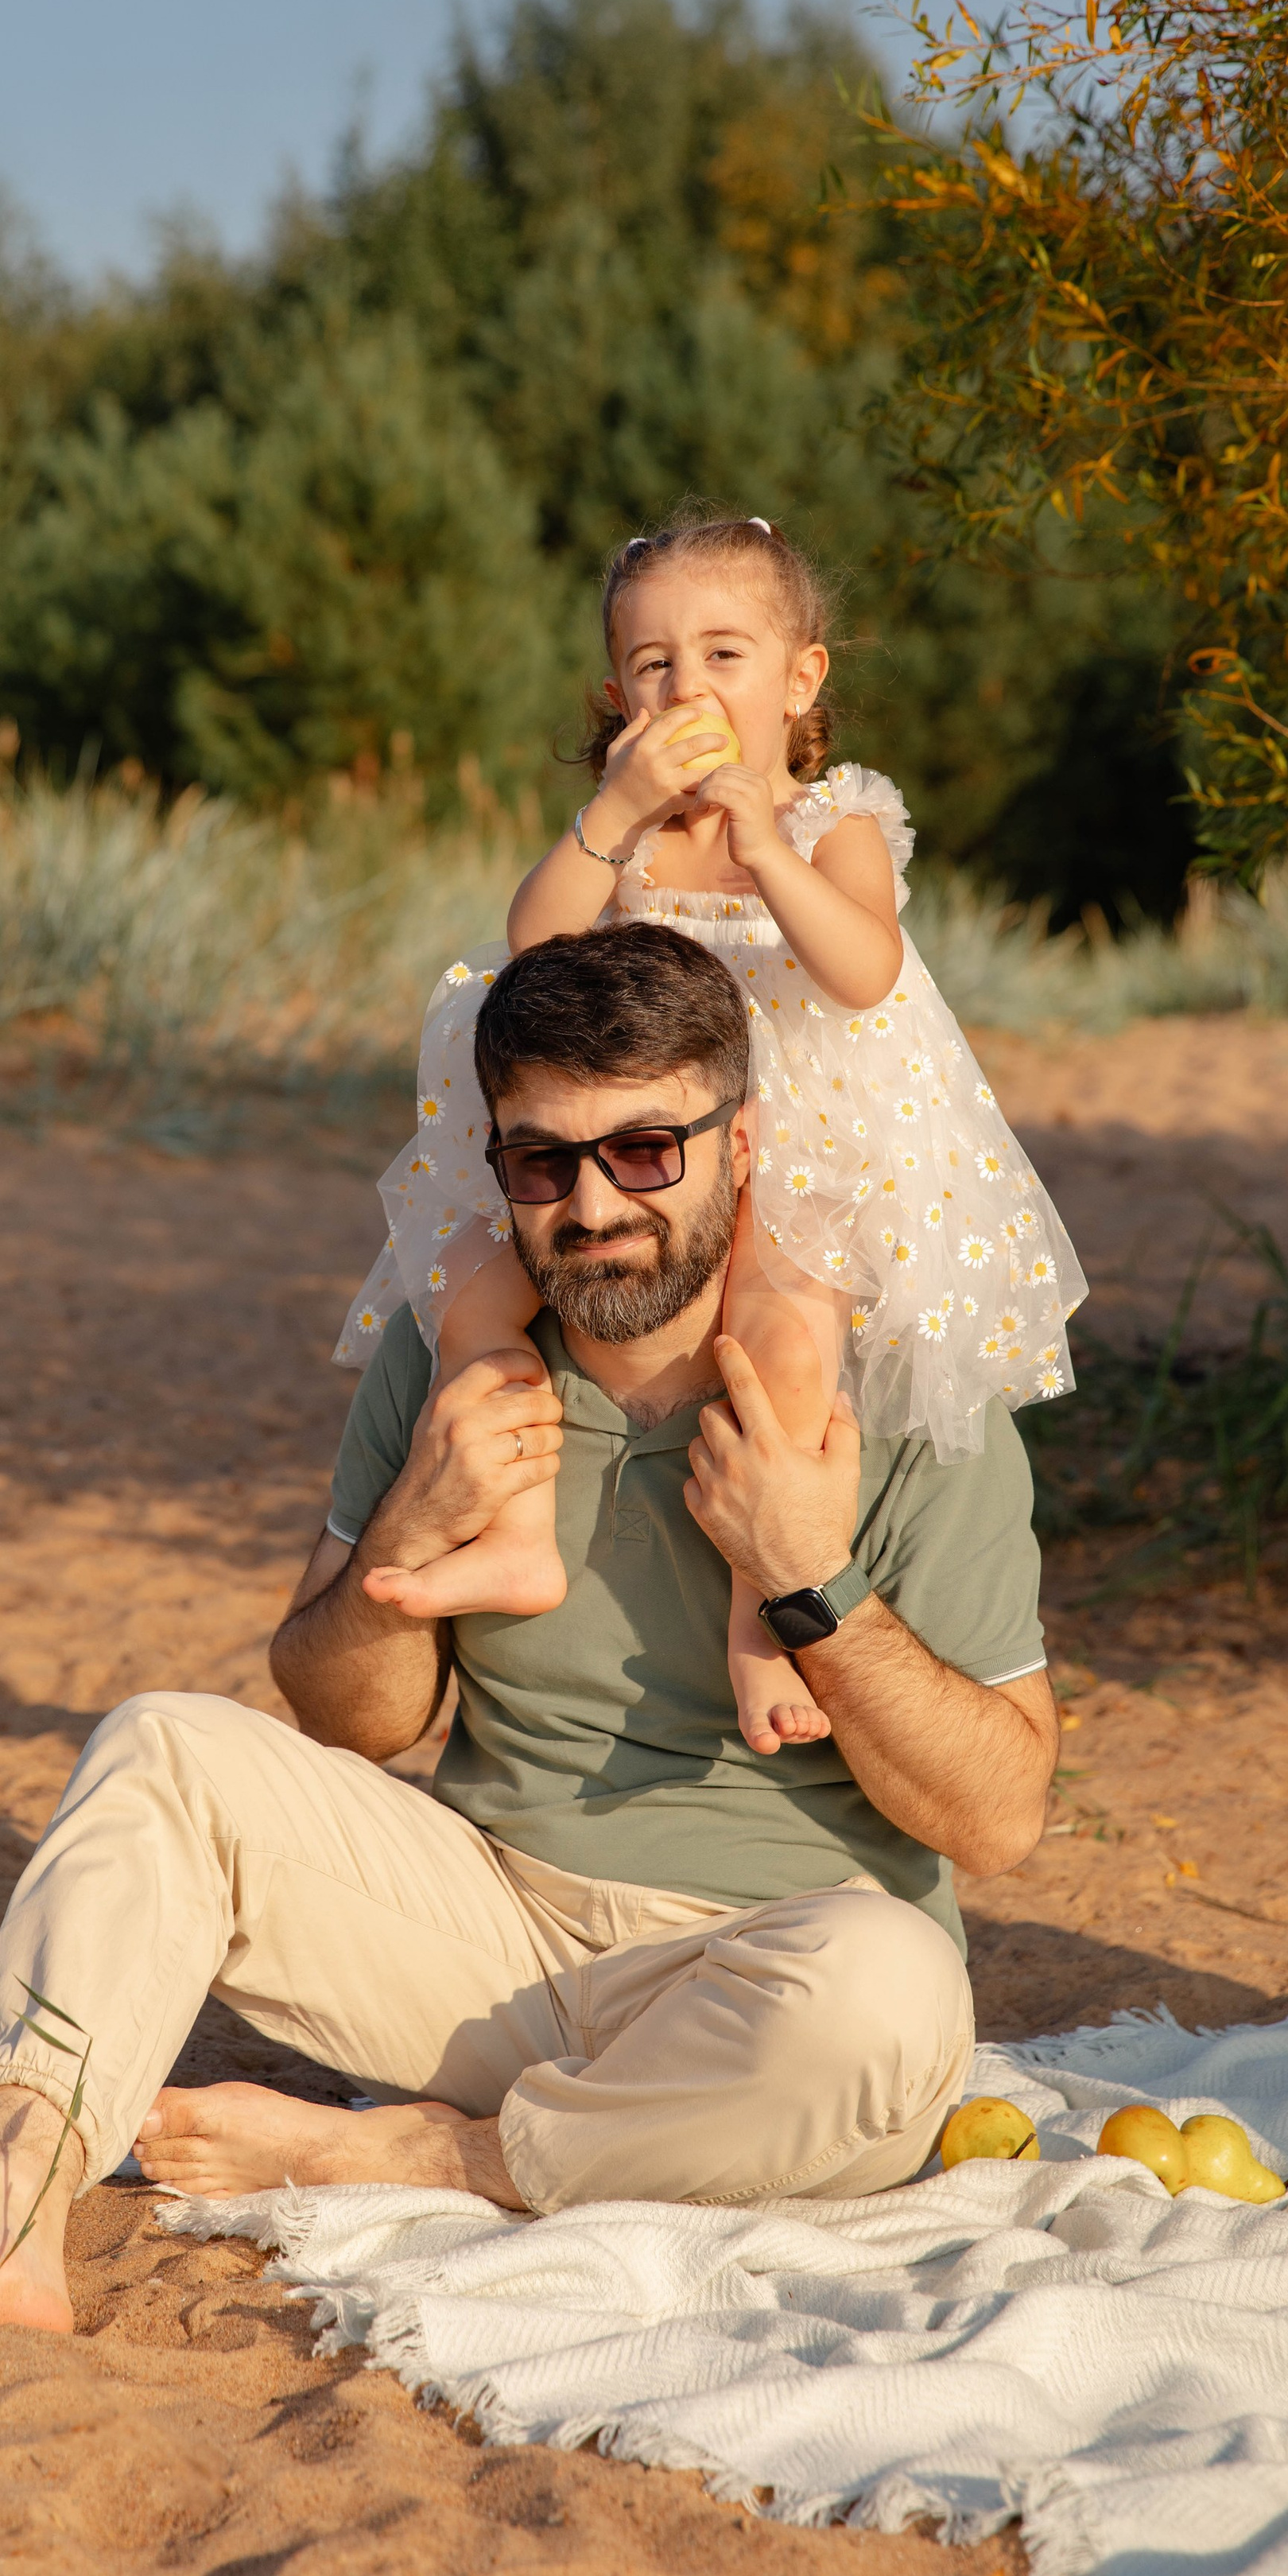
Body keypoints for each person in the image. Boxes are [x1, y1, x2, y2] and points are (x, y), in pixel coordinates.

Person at [0, 925, 1060, 2339]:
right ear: (494, 1168)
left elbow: (998, 1818)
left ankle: (436, 2155)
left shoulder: (911, 1390)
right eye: (542, 1162)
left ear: (746, 1139)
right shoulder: (455, 1356)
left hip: (779, 1988)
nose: (594, 1204)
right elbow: (350, 1718)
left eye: (647, 1151)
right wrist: (409, 1537)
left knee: (892, 1995)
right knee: (164, 1747)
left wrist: (807, 1576)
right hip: (486, 1941)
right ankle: (5, 2199)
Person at [338, 509, 1085, 1758]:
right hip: (625, 1119)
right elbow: (535, 942)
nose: (689, 685)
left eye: (725, 655)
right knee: (466, 1289)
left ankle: (760, 1609)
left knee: (785, 1333)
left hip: (800, 1130)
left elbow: (865, 970)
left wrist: (763, 849)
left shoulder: (831, 818)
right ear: (619, 692)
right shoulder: (627, 819)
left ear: (802, 681)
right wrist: (618, 810)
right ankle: (513, 1528)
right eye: (653, 663)